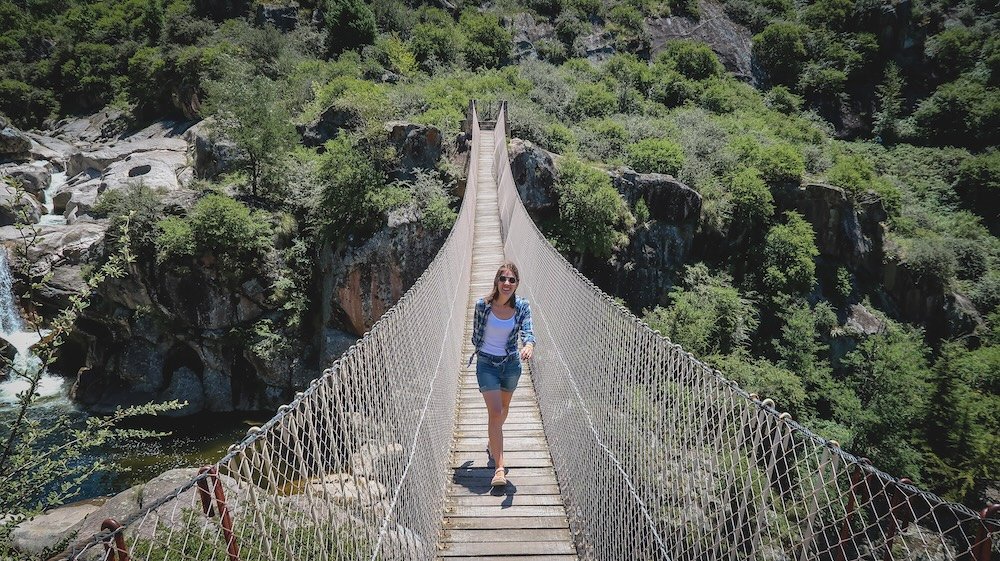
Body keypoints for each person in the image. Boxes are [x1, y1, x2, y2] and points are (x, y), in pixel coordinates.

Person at [470, 261, 535, 487]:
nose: (507, 283)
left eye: (512, 280)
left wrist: (528, 345)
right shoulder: (482, 306)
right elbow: (475, 335)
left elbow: (528, 331)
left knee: (503, 409)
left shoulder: (523, 307)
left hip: (511, 365)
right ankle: (499, 468)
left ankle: (492, 441)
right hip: (486, 364)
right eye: (503, 278)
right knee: (496, 411)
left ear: (517, 284)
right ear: (496, 281)